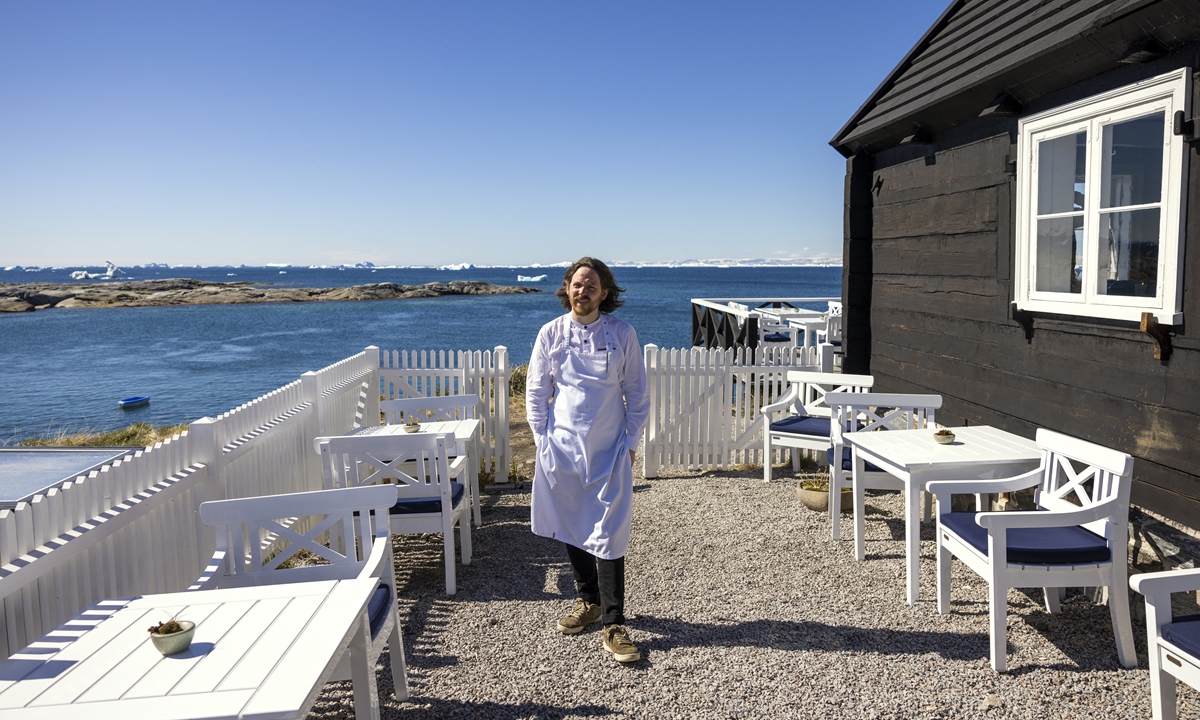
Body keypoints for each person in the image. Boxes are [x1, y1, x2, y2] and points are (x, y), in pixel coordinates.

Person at [526, 257, 649, 663]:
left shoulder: (622, 334)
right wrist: (542, 439)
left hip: (609, 449)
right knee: (572, 522)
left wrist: (630, 443)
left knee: (609, 531)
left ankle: (614, 623)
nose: (584, 291)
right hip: (561, 448)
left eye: (592, 285)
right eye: (578, 284)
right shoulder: (551, 334)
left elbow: (638, 394)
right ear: (567, 289)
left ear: (605, 292)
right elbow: (536, 390)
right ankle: (590, 602)